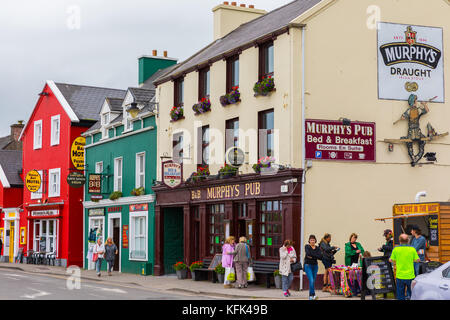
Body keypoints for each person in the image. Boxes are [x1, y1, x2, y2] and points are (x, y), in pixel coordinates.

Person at [389, 234, 420, 300]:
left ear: (399, 240)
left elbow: (391, 260)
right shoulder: (412, 249)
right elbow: (417, 260)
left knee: (400, 296)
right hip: (410, 276)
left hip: (400, 276)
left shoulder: (396, 249)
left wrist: (397, 261)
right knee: (412, 295)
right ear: (408, 240)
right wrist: (412, 259)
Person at [304, 235, 322, 300]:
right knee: (311, 280)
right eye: (311, 240)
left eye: (313, 240)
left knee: (313, 281)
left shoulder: (317, 248)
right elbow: (308, 254)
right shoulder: (307, 246)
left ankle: (312, 295)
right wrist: (316, 256)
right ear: (309, 241)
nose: (312, 241)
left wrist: (312, 256)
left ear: (315, 241)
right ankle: (312, 295)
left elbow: (320, 257)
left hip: (315, 266)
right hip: (308, 265)